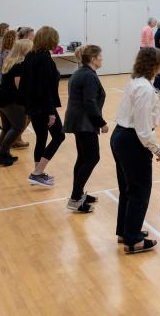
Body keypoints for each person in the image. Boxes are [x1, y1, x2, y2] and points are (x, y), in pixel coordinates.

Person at [112, 47, 160, 254]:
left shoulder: (136, 83)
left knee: (128, 189)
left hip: (122, 136)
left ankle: (125, 231)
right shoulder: (144, 88)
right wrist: (157, 149)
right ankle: (132, 240)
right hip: (132, 141)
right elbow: (143, 128)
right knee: (139, 191)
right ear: (154, 64)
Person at [63, 45, 108, 214]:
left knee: (83, 158)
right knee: (91, 158)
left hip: (78, 121)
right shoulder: (88, 76)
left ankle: (78, 193)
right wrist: (101, 122)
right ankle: (75, 199)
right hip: (84, 122)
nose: (102, 59)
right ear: (93, 59)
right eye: (100, 56)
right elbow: (89, 102)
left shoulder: (81, 72)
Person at [22, 26, 65, 187]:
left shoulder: (31, 55)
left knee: (41, 138)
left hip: (33, 106)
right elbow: (44, 88)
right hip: (44, 107)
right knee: (59, 136)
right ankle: (37, 173)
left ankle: (37, 174)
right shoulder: (44, 59)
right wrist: (51, 112)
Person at [0, 39, 32, 166]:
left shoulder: (10, 61)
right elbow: (19, 86)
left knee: (7, 127)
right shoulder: (20, 64)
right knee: (18, 126)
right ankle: (2, 153)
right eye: (30, 49)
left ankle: (4, 154)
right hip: (10, 99)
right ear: (24, 50)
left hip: (0, 97)